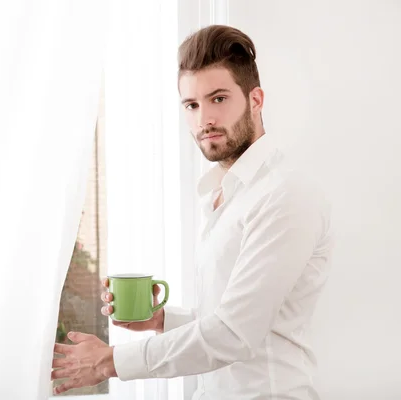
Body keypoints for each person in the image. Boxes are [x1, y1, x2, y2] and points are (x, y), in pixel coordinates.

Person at [51, 24, 334, 399]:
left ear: (256, 100)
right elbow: (233, 317)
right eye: (192, 105)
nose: (204, 120)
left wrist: (110, 362)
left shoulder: (285, 196)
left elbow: (235, 334)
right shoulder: (223, 193)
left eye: (219, 99)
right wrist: (164, 320)